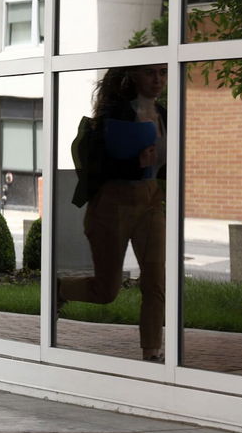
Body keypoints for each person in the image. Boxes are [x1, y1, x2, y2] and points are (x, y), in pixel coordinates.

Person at [58, 65, 167, 362]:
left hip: (150, 201)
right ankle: (60, 289)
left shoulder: (164, 114)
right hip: (112, 204)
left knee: (156, 279)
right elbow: (98, 167)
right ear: (134, 76)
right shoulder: (115, 114)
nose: (158, 80)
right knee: (107, 290)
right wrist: (135, 161)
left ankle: (152, 351)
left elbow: (165, 164)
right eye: (150, 73)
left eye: (163, 72)